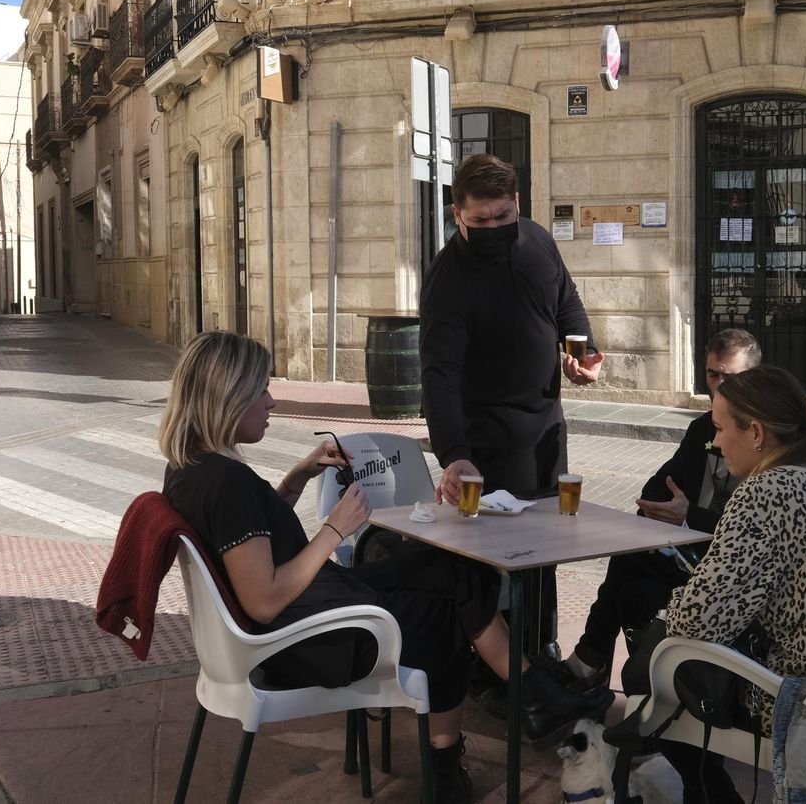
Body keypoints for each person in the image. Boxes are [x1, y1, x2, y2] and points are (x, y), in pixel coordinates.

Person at [159, 331, 611, 802]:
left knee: (455, 569)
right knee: (449, 610)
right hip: (313, 640)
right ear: (228, 398)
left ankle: (532, 695)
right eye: (261, 390)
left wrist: (297, 478)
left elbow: (251, 543)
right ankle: (475, 746)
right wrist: (335, 529)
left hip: (311, 610)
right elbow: (265, 599)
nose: (272, 401)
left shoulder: (191, 469)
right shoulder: (226, 483)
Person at [662, 365, 806, 804]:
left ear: (755, 432)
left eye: (718, 429)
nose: (713, 443)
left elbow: (693, 622)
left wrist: (673, 605)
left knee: (655, 681)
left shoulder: (766, 490)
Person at [420, 152, 601, 656]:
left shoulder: (539, 240)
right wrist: (453, 453)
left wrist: (582, 355)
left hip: (545, 432)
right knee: (486, 560)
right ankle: (493, 672)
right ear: (457, 215)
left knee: (545, 554)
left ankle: (540, 652)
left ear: (516, 203)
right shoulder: (447, 279)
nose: (495, 227)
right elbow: (439, 375)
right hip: (484, 442)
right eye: (481, 221)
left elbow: (567, 304)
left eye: (503, 216)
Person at [559, 329, 763, 689]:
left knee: (632, 571)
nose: (718, 385)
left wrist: (689, 516)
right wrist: (670, 513)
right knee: (632, 561)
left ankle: (592, 662)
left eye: (729, 377)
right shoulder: (702, 428)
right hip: (696, 552)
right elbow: (657, 489)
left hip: (731, 573)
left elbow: (750, 532)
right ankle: (615, 677)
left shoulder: (762, 438)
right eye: (712, 374)